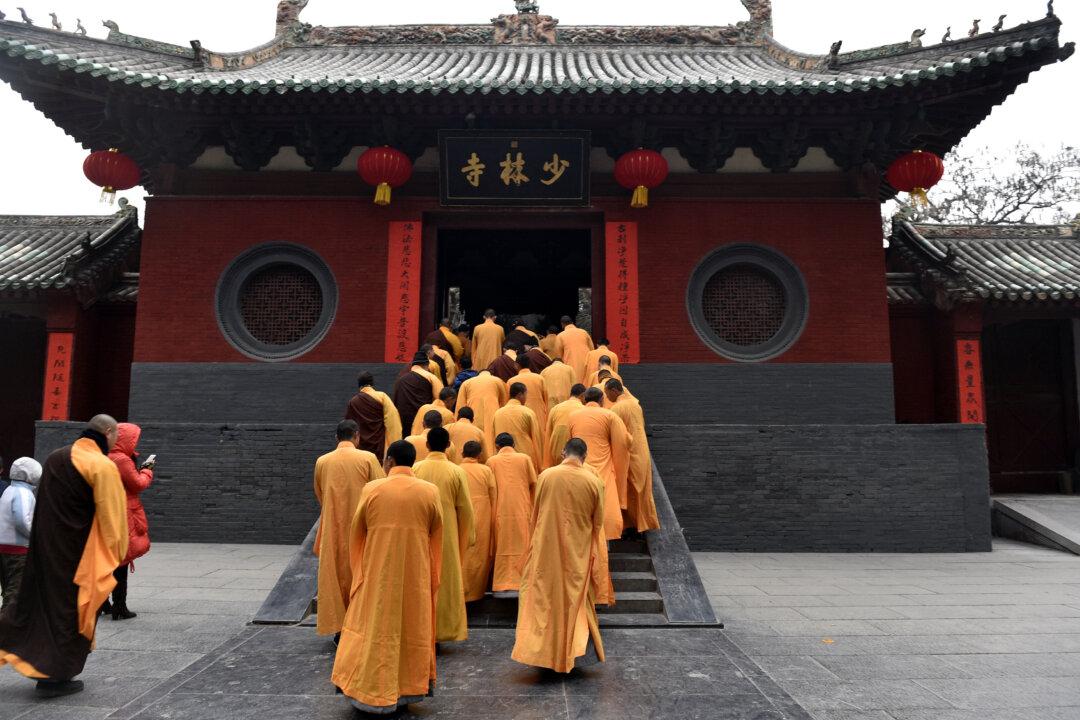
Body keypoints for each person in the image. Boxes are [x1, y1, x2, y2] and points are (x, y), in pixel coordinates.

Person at [0, 415, 127, 698]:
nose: (117, 440)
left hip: (46, 552)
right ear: (107, 432)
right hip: (80, 556)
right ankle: (55, 677)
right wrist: (115, 558)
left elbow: (42, 507)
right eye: (117, 434)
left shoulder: (56, 457)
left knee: (43, 609)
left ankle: (44, 669)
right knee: (71, 613)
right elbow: (113, 522)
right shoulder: (101, 466)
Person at [331, 440, 442, 714]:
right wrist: (432, 575)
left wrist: (360, 570)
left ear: (389, 461)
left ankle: (369, 688)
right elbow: (436, 535)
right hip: (414, 573)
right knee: (411, 626)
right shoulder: (429, 491)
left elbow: (357, 533)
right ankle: (408, 687)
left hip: (377, 570)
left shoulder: (372, 489)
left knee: (372, 626)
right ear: (412, 462)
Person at [511, 438, 608, 673]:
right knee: (575, 601)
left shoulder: (547, 476)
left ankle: (542, 653)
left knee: (544, 598)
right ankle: (574, 654)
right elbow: (598, 523)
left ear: (564, 453)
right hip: (578, 550)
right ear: (584, 457)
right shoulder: (594, 481)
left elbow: (536, 514)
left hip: (546, 548)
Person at [313, 420, 385, 640]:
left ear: (336, 438)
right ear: (357, 436)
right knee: (361, 573)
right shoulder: (368, 458)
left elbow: (320, 493)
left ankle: (339, 627)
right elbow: (380, 490)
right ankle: (361, 624)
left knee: (335, 577)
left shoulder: (322, 461)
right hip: (362, 528)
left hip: (333, 528)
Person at [413, 428, 474, 643]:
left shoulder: (416, 468)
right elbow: (465, 509)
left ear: (427, 445)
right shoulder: (456, 472)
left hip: (421, 533)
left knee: (421, 581)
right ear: (448, 445)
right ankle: (442, 631)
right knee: (445, 582)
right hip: (447, 534)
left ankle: (421, 629)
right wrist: (467, 537)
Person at [103, 423, 155, 621]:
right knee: (121, 562)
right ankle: (120, 606)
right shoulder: (121, 460)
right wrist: (147, 471)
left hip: (110, 511)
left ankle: (104, 603)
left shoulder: (107, 455)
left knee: (109, 561)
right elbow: (138, 484)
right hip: (124, 512)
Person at [568, 388, 631, 540]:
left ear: (584, 400)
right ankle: (605, 539)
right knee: (605, 503)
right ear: (602, 400)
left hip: (580, 465)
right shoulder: (609, 415)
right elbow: (624, 441)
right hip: (602, 466)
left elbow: (569, 442)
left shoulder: (573, 416)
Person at [604, 380, 660, 533]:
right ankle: (643, 522)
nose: (606, 396)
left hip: (629, 452)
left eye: (607, 392)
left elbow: (616, 435)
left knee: (630, 490)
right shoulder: (635, 405)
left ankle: (633, 525)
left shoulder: (616, 409)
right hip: (642, 451)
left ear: (614, 390)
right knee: (642, 489)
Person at [486, 433, 537, 596]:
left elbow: (489, 486)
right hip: (522, 508)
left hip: (499, 509)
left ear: (497, 447)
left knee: (502, 544)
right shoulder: (524, 459)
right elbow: (533, 483)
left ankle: (502, 582)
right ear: (514, 444)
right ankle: (522, 581)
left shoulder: (492, 461)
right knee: (522, 542)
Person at [0, 458, 42, 610]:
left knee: (8, 589)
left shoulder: (8, 490)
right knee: (14, 593)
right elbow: (22, 520)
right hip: (18, 550)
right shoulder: (23, 493)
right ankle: (5, 627)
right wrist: (34, 536)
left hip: (3, 547)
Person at [459, 441, 496, 602]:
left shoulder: (456, 469)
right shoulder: (485, 470)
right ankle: (475, 593)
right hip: (482, 514)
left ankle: (460, 590)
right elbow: (493, 494)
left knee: (461, 551)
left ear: (461, 454)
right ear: (479, 455)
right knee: (479, 553)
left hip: (461, 514)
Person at [345, 372, 402, 461]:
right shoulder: (382, 397)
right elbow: (393, 422)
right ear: (372, 385)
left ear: (360, 386)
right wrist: (395, 446)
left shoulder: (353, 402)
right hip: (380, 446)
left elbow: (348, 426)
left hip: (360, 448)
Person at [490, 383, 544, 472]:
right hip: (524, 457)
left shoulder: (498, 413)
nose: (526, 398)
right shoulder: (528, 412)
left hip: (502, 459)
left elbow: (493, 439)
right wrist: (539, 466)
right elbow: (536, 439)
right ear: (520, 395)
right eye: (526, 394)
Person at [457, 369, 507, 456]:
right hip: (493, 414)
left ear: (478, 374)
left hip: (473, 415)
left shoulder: (467, 383)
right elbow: (504, 403)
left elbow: (460, 406)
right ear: (490, 374)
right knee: (491, 439)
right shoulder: (498, 381)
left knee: (474, 438)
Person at [393, 351, 444, 436]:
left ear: (413, 365)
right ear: (427, 365)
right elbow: (440, 399)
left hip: (404, 423)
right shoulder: (431, 377)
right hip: (425, 422)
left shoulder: (400, 380)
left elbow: (395, 402)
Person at [508, 356, 549, 446]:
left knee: (522, 443)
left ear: (516, 365)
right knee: (540, 442)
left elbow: (509, 401)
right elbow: (546, 400)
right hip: (539, 415)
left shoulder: (511, 381)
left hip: (519, 416)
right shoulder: (540, 378)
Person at [546, 384, 586, 468]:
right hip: (574, 453)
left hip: (556, 451)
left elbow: (548, 434)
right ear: (582, 395)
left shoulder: (556, 408)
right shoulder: (583, 409)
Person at [557, 316, 595, 383]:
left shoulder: (560, 336)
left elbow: (559, 357)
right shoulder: (584, 332)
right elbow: (592, 350)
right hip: (586, 365)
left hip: (570, 367)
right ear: (572, 322)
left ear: (562, 324)